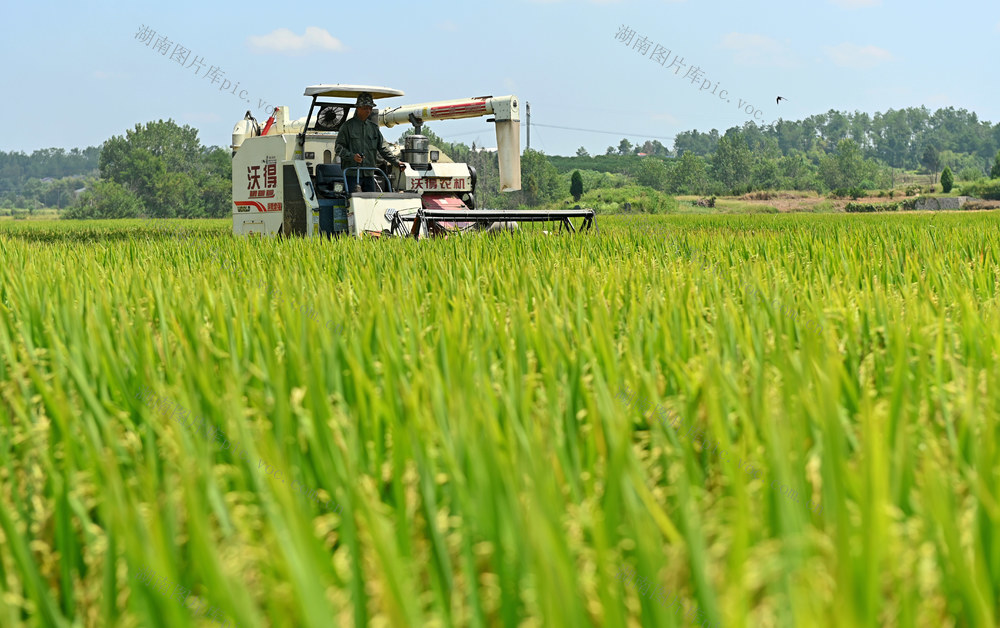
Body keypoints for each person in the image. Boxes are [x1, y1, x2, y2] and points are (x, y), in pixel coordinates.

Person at [334, 92, 405, 192]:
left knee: (371, 203)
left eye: (370, 108)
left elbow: (383, 148)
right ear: (358, 108)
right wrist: (352, 156)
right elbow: (338, 148)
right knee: (353, 202)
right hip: (352, 174)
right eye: (365, 108)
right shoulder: (347, 127)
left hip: (369, 174)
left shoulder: (374, 128)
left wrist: (397, 162)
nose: (368, 111)